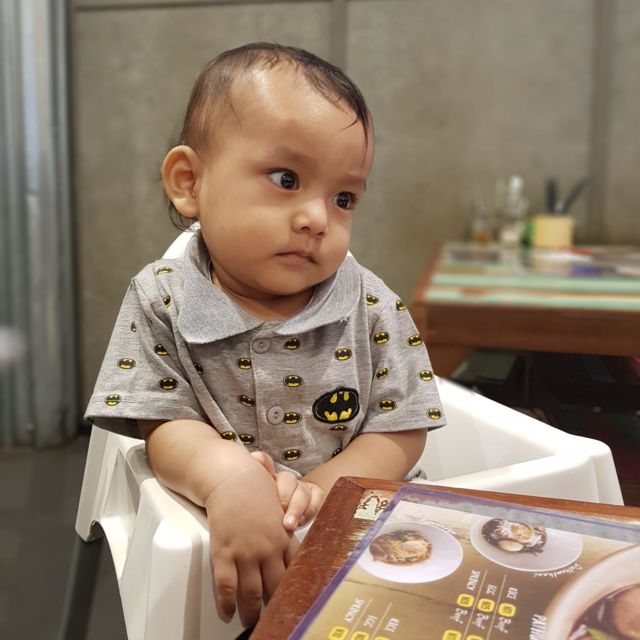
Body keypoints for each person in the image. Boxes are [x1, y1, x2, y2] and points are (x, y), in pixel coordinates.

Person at [86, 42, 446, 629]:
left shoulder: (371, 305)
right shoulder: (162, 300)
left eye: (344, 198)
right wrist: (227, 476)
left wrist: (320, 492)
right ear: (189, 182)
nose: (317, 219)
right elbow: (162, 423)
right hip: (211, 535)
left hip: (359, 522)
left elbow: (400, 427)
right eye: (286, 179)